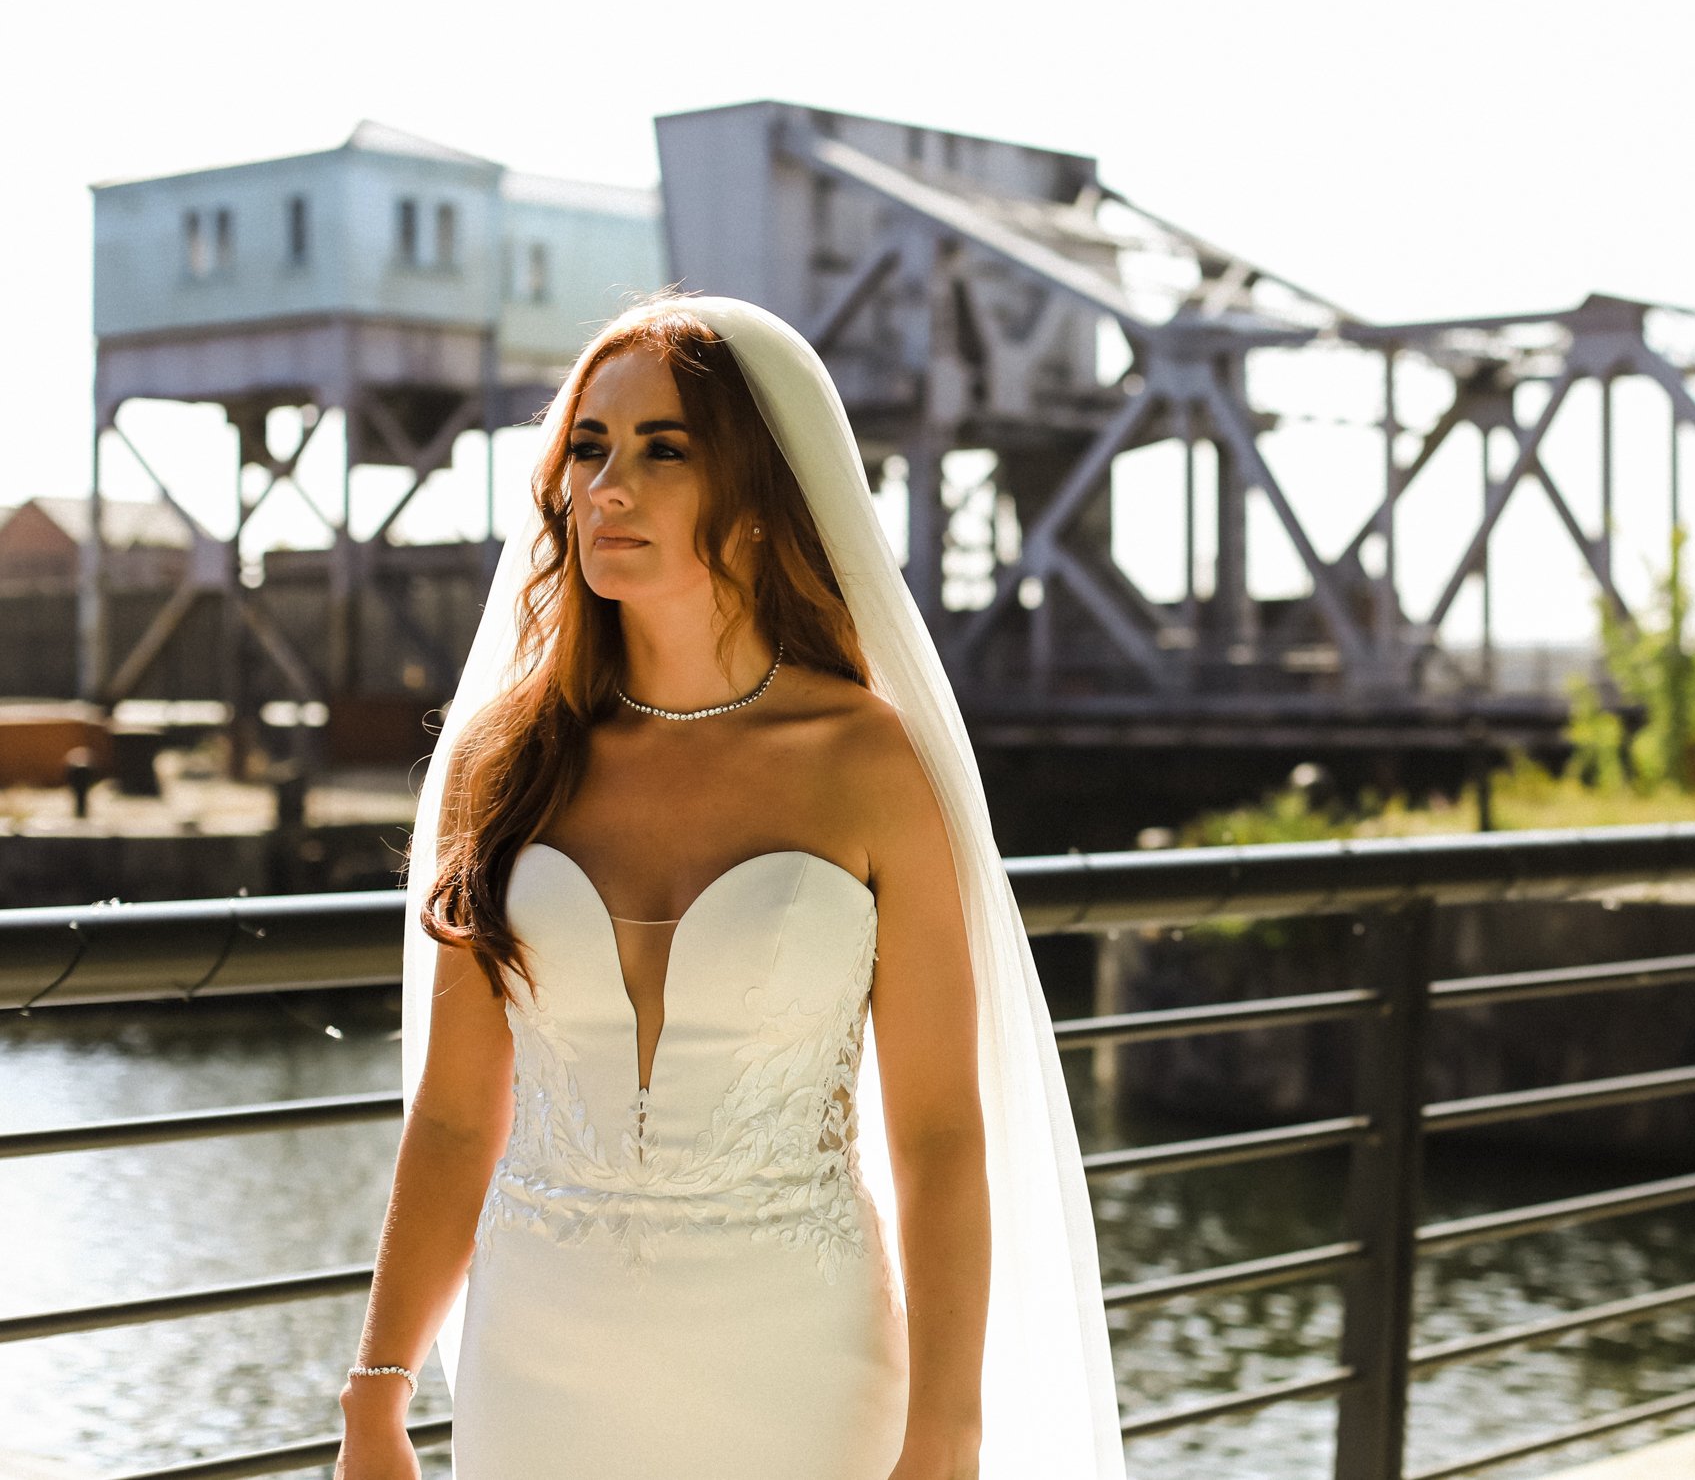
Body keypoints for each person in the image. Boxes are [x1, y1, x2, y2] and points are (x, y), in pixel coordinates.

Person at [334, 297, 1124, 1480]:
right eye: (589, 447)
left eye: (665, 450)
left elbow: (941, 1134)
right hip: (538, 1368)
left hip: (799, 1369)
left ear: (758, 494)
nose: (608, 484)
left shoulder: (866, 761)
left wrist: (948, 1430)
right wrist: (378, 1388)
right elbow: (453, 1118)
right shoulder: (506, 764)